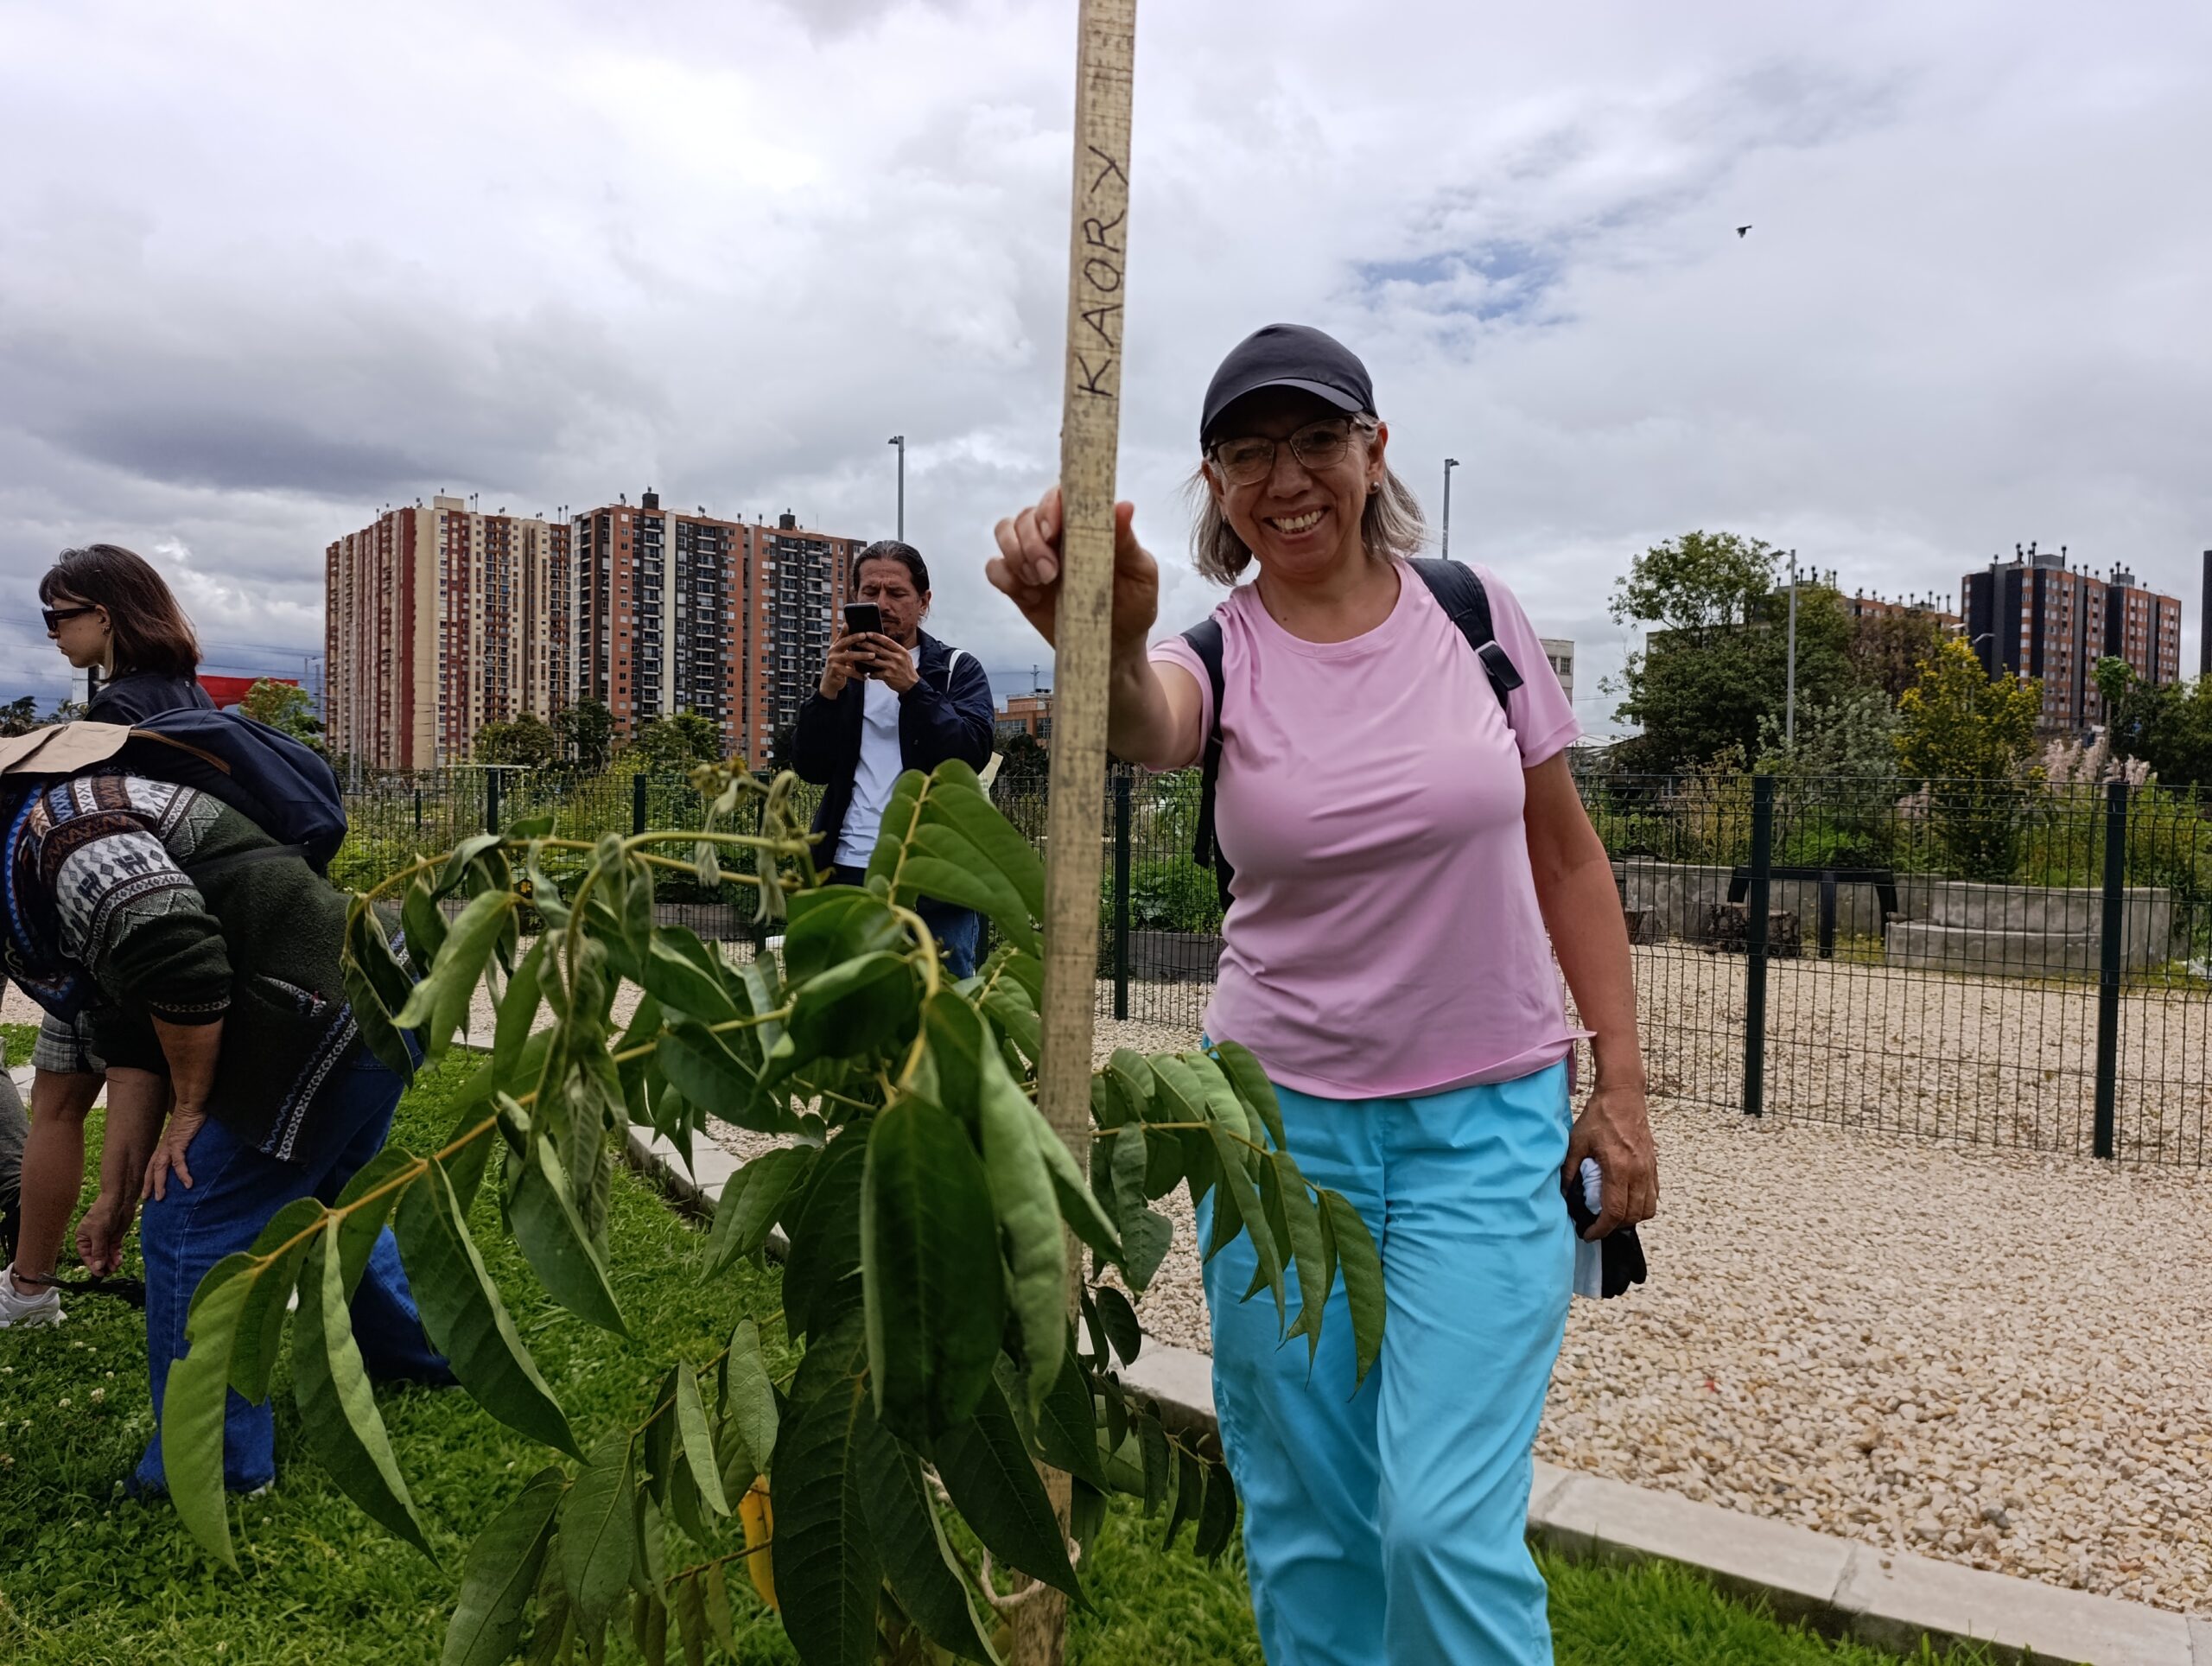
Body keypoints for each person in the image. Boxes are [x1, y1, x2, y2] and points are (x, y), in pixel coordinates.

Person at [987, 323, 1659, 1665]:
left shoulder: (1472, 615)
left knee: (1439, 1524)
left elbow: (1568, 853)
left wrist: (1622, 1086)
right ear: (1215, 484)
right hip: (1274, 1140)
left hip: (1489, 1124)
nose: (1285, 478)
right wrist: (1098, 637)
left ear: (1373, 449)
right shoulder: (1214, 654)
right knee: (1311, 1517)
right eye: (1248, 452)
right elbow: (1141, 721)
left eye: (1313, 441)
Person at [0, 762, 447, 1490]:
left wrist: (194, 1111)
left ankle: (215, 1467)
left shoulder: (69, 839)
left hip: (326, 1009)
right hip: (378, 986)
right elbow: (135, 1033)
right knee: (333, 1201)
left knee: (191, 1223)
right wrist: (115, 1194)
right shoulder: (45, 839)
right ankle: (416, 1356)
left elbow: (181, 956)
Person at [0, 545, 214, 1328]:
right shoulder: (189, 698)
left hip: (117, 945)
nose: (52, 631)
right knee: (97, 1108)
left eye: (60, 615)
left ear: (105, 615)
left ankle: (32, 1288)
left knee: (68, 1108)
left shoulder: (118, 716)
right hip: (152, 937)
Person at [792, 539, 996, 975]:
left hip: (934, 877)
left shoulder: (958, 669)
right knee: (845, 1011)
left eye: (896, 593)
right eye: (870, 592)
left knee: (940, 1003)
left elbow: (969, 754)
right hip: (846, 866)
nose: (882, 604)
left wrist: (914, 688)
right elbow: (809, 766)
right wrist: (826, 693)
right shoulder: (841, 673)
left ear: (923, 602)